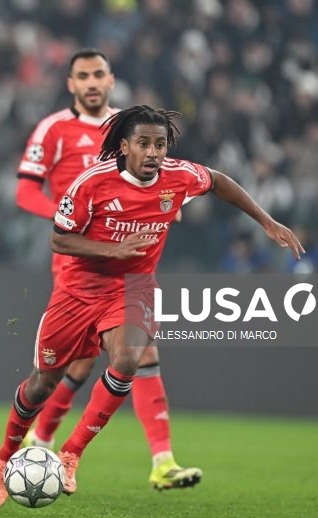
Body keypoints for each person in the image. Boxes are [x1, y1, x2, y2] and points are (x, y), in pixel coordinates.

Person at [0, 105, 304, 509]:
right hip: (78, 292)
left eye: (160, 144)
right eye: (144, 144)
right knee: (41, 385)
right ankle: (2, 461)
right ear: (124, 146)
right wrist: (111, 249)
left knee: (128, 360)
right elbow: (59, 240)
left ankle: (71, 454)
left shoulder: (179, 175)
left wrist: (267, 221)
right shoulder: (92, 183)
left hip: (132, 289)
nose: (153, 152)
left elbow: (219, 182)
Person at [15, 48, 200, 490]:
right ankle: (42, 439)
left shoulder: (134, 129)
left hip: (133, 259)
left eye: (99, 74)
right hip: (81, 259)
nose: (92, 82)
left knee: (141, 352)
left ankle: (162, 461)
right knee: (78, 365)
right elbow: (25, 192)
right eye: (83, 76)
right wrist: (71, 220)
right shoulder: (54, 129)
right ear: (71, 84)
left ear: (111, 79)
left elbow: (170, 183)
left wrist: (168, 205)